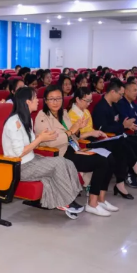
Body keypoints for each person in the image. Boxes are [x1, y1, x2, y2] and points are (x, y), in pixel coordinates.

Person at [36, 86, 120, 216]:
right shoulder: (42, 117)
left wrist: (78, 128)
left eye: (58, 98)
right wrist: (72, 131)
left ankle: (101, 199)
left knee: (109, 157)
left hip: (74, 148)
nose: (55, 102)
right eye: (51, 99)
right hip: (59, 154)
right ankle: (92, 203)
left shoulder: (63, 113)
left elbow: (74, 134)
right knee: (101, 162)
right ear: (45, 101)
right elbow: (50, 142)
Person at [2, 87, 84, 218]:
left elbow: (29, 141)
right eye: (35, 98)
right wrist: (40, 139)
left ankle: (69, 197)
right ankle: (66, 201)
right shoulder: (14, 122)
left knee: (66, 162)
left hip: (31, 160)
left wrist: (43, 137)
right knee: (58, 163)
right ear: (27, 102)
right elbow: (19, 153)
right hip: (19, 166)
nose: (38, 100)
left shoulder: (26, 118)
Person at [67, 87, 134, 197]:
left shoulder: (86, 111)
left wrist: (98, 132)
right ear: (78, 99)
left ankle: (120, 181)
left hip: (93, 139)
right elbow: (73, 136)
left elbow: (90, 129)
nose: (89, 103)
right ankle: (120, 181)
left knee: (120, 143)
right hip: (84, 143)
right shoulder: (71, 115)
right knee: (116, 149)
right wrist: (91, 133)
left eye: (90, 101)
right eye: (87, 101)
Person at [91, 79, 137, 186]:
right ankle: (131, 174)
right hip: (108, 138)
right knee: (136, 147)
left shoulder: (114, 105)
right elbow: (103, 129)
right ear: (112, 92)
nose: (121, 97)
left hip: (120, 134)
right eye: (120, 94)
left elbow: (120, 121)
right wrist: (123, 126)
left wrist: (126, 125)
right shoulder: (101, 107)